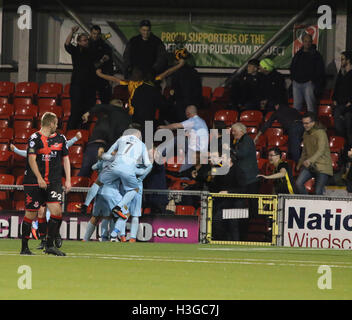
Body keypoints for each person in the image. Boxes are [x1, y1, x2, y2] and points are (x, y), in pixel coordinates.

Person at [11, 132, 82, 249]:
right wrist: (16, 150)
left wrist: (75, 138)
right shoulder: (37, 143)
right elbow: (27, 154)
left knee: (55, 212)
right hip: (38, 183)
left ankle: (55, 235)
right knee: (40, 212)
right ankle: (44, 240)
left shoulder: (58, 141)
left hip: (52, 182)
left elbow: (65, 145)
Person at [20, 112, 71, 256]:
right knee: (31, 213)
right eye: (56, 123)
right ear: (51, 124)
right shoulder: (34, 138)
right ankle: (24, 247)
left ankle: (49, 245)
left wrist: (68, 179)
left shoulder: (61, 139)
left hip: (53, 182)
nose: (57, 126)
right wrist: (39, 178)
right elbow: (31, 159)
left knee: (57, 212)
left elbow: (66, 159)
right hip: (33, 182)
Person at [96, 58, 184, 127]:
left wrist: (179, 65)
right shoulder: (133, 82)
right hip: (137, 115)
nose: (136, 73)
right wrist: (100, 75)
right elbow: (114, 79)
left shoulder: (142, 83)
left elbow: (166, 73)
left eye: (137, 72)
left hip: (138, 114)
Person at [97, 123, 152, 219]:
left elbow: (107, 156)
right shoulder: (142, 145)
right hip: (128, 171)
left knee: (99, 182)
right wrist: (142, 173)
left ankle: (91, 201)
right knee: (134, 189)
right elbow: (148, 164)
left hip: (114, 167)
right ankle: (118, 207)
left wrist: (104, 156)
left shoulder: (121, 139)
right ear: (138, 134)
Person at [78, 99, 132, 177]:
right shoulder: (128, 117)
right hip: (117, 147)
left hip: (101, 145)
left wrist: (88, 113)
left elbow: (99, 107)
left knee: (87, 171)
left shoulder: (107, 114)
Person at [157, 105, 209, 172]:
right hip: (200, 150)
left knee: (183, 173)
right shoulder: (202, 121)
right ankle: (159, 151)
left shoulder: (193, 121)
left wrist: (164, 127)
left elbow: (176, 126)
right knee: (179, 138)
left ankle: (159, 152)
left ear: (188, 113)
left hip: (195, 153)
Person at [65, 26, 97, 130]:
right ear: (78, 42)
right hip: (77, 86)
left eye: (87, 40)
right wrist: (72, 32)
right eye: (83, 40)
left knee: (86, 112)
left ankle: (83, 134)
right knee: (75, 111)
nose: (86, 42)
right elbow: (67, 44)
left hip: (88, 87)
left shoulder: (91, 51)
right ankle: (70, 133)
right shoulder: (76, 51)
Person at [295, 112, 333, 195]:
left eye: (307, 123)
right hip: (310, 166)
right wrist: (300, 163)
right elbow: (304, 151)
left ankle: (318, 207)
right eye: (303, 123)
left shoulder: (321, 133)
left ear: (313, 123)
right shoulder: (305, 134)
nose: (305, 125)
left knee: (318, 191)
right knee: (298, 183)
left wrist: (310, 160)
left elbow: (321, 150)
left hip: (322, 166)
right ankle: (307, 202)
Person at [290, 33, 326, 113]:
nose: (307, 43)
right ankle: (297, 124)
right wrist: (293, 79)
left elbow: (320, 70)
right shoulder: (298, 54)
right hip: (297, 83)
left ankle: (312, 124)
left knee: (311, 107)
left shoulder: (316, 55)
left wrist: (312, 80)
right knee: (296, 107)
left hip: (308, 83)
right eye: (305, 41)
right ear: (302, 42)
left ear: (312, 42)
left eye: (309, 41)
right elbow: (292, 67)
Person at [169, 48, 203, 122]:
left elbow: (174, 91)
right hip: (193, 105)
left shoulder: (176, 73)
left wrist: (171, 101)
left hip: (181, 106)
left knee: (181, 128)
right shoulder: (194, 72)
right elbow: (199, 91)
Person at [89, 25, 113, 104]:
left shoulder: (105, 46)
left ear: (100, 34)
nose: (95, 36)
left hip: (102, 76)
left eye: (97, 34)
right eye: (94, 33)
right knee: (89, 99)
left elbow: (110, 62)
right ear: (90, 33)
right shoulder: (86, 45)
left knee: (105, 99)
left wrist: (110, 76)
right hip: (90, 76)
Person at [332, 51, 352, 146]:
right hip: (340, 103)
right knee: (340, 126)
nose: (341, 61)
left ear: (348, 60)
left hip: (348, 105)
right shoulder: (342, 72)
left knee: (349, 127)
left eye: (343, 59)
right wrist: (334, 99)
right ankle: (342, 146)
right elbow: (337, 87)